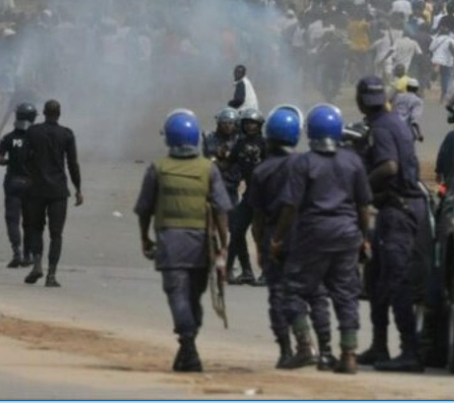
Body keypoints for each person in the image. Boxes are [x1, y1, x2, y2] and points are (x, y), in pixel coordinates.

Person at [272, 104, 372, 374]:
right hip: (347, 235)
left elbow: (291, 206)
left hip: (312, 235)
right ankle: (349, 354)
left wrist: (277, 238)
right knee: (346, 295)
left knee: (293, 289)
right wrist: (366, 237)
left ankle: (305, 346)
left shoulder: (303, 162)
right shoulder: (353, 161)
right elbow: (363, 205)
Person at [135, 109, 233, 373]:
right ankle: (187, 347)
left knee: (178, 295)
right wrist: (224, 246)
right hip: (201, 246)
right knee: (194, 297)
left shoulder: (158, 168)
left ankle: (187, 346)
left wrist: (145, 238)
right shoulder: (209, 168)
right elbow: (222, 210)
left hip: (169, 243)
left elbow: (144, 209)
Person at [249, 105, 333, 370]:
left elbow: (258, 215)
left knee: (280, 295)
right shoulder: (307, 162)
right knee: (316, 293)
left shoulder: (261, 171)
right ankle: (326, 350)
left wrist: (261, 244)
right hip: (309, 235)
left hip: (277, 236)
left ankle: (290, 349)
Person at [354, 76, 428, 373]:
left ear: (361, 101)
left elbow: (389, 166)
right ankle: (380, 345)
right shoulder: (393, 121)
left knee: (396, 282)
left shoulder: (382, 127)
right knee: (377, 279)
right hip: (397, 208)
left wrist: (361, 186)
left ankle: (410, 350)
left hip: (399, 210)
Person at [23, 100, 83, 287]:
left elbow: (23, 158)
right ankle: (51, 275)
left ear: (43, 112)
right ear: (59, 114)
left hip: (36, 189)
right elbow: (72, 164)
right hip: (58, 191)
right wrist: (78, 188)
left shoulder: (32, 132)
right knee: (56, 234)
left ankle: (37, 264)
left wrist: (30, 174)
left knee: (35, 228)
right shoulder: (66, 134)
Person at [226, 107, 266, 285]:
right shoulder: (239, 144)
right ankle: (245, 271)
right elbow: (227, 164)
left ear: (259, 125)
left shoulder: (266, 144)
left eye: (253, 123)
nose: (250, 126)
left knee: (262, 234)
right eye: (247, 123)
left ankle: (267, 273)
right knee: (236, 229)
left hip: (265, 196)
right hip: (249, 194)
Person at [0, 103, 37, 268]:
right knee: (30, 221)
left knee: (13, 220)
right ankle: (29, 255)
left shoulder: (8, 138)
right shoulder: (36, 139)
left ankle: (16, 253)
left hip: (13, 182)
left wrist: (9, 161)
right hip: (31, 183)